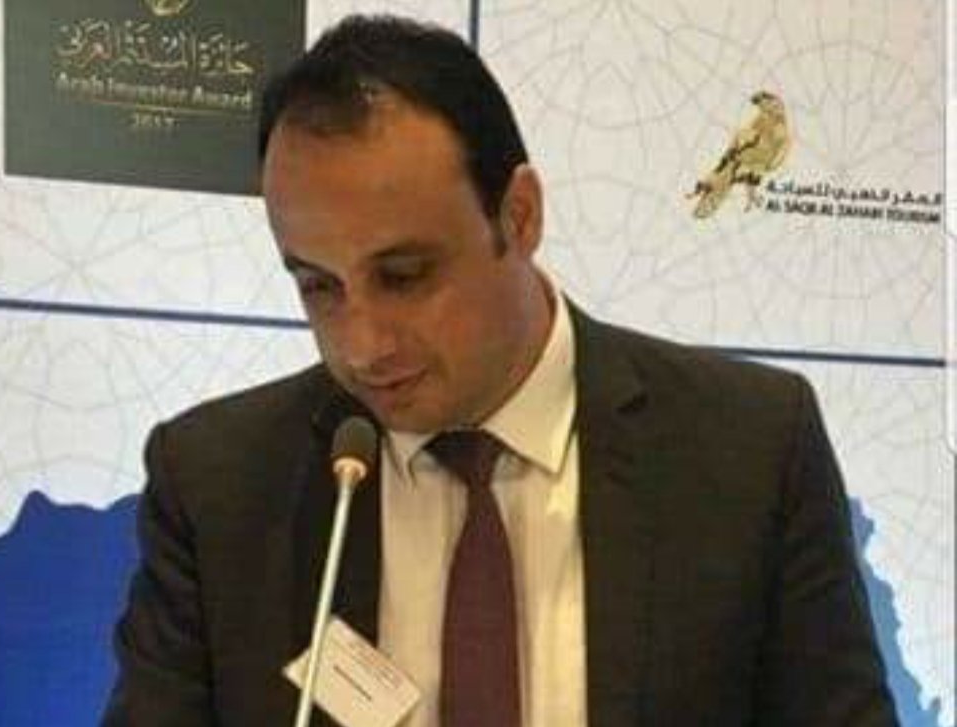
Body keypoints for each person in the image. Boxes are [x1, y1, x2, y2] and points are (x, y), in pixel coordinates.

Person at [103, 14, 898, 727]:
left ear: (518, 215)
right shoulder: (219, 486)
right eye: (319, 286)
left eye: (404, 275)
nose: (362, 343)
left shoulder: (749, 450)